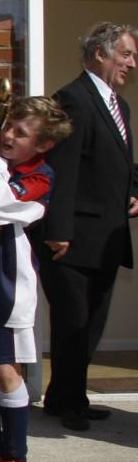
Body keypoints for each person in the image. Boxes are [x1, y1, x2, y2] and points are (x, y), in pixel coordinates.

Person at [0, 97, 70, 462]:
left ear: (42, 145)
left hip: (9, 286)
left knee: (7, 369)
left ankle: (17, 458)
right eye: (9, 126)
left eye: (21, 133)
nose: (8, 135)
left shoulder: (40, 176)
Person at [36, 22, 138, 431]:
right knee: (73, 323)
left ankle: (66, 395)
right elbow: (63, 168)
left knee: (92, 323)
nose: (132, 63)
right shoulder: (74, 100)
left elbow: (115, 163)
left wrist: (131, 189)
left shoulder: (120, 106)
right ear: (101, 53)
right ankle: (69, 402)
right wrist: (57, 229)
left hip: (105, 237)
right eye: (126, 54)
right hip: (73, 238)